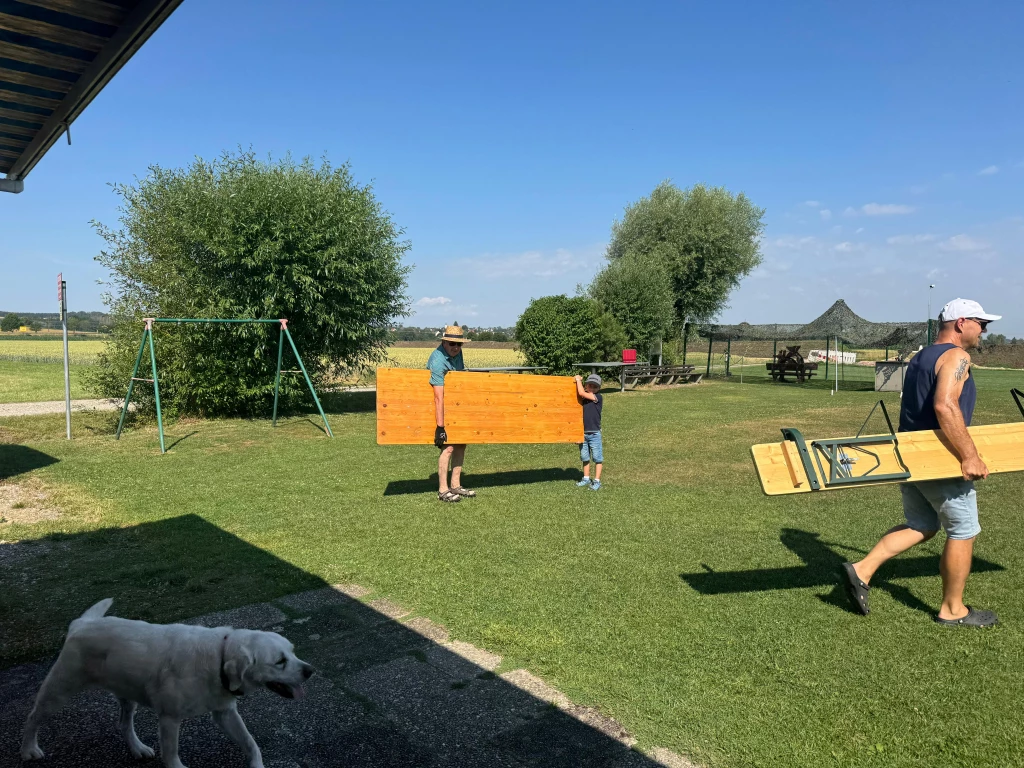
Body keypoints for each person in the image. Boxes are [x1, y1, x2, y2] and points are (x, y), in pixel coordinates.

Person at [841, 298, 1001, 626]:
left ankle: (861, 570)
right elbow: (945, 406)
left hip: (910, 455)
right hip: (938, 459)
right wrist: (969, 456)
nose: (983, 330)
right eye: (981, 324)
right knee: (963, 531)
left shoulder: (920, 357)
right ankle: (953, 610)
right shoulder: (957, 356)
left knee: (922, 526)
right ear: (961, 323)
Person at [427, 325, 475, 503]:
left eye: (459, 344)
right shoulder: (438, 361)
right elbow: (438, 396)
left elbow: (458, 381)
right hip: (437, 407)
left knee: (461, 444)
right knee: (447, 447)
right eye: (452, 343)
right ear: (444, 342)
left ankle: (455, 485)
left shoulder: (457, 353)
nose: (456, 347)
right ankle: (442, 490)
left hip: (454, 406)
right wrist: (440, 427)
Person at [574, 373, 604, 491]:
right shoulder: (583, 400)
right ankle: (586, 478)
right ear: (586, 386)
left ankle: (597, 481)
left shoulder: (598, 397)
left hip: (594, 434)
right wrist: (576, 434)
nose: (591, 388)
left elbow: (581, 392)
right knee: (585, 457)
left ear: (598, 389)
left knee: (597, 458)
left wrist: (577, 380)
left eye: (594, 387)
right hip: (583, 434)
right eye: (589, 386)